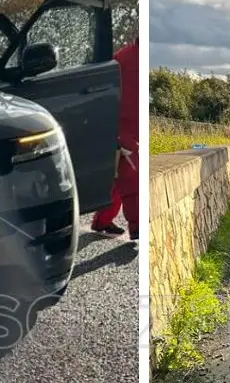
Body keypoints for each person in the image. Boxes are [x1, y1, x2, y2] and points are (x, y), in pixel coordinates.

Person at [91, 39, 140, 240]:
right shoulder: (123, 59)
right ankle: (137, 227)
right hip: (123, 128)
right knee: (131, 176)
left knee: (117, 179)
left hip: (125, 127)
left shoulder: (121, 58)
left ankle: (102, 221)